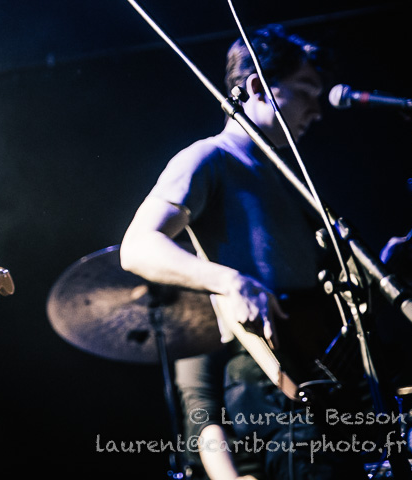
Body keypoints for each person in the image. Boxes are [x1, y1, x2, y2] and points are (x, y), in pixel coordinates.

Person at [120, 25, 369, 479]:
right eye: (305, 90)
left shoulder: (288, 178)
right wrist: (227, 280)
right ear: (257, 87)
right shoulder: (208, 157)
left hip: (326, 378)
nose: (317, 109)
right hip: (276, 385)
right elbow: (137, 246)